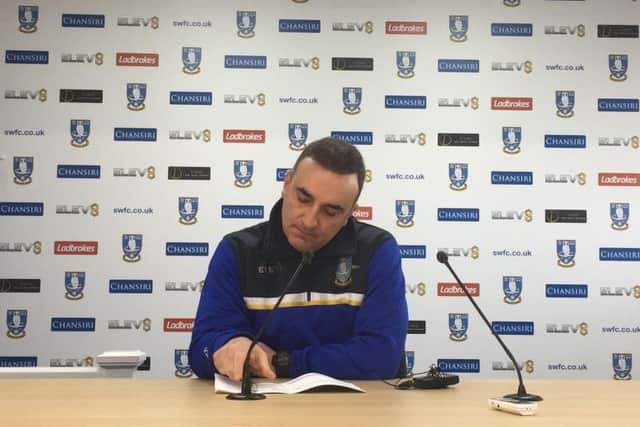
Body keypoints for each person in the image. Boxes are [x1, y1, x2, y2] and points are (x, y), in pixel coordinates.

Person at [188, 137, 408, 380]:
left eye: (331, 211)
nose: (310, 221)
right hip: (262, 412)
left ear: (349, 214)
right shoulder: (237, 250)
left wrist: (281, 362)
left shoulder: (377, 250)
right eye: (303, 198)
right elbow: (201, 352)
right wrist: (227, 346)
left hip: (357, 412)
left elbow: (381, 357)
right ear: (286, 183)